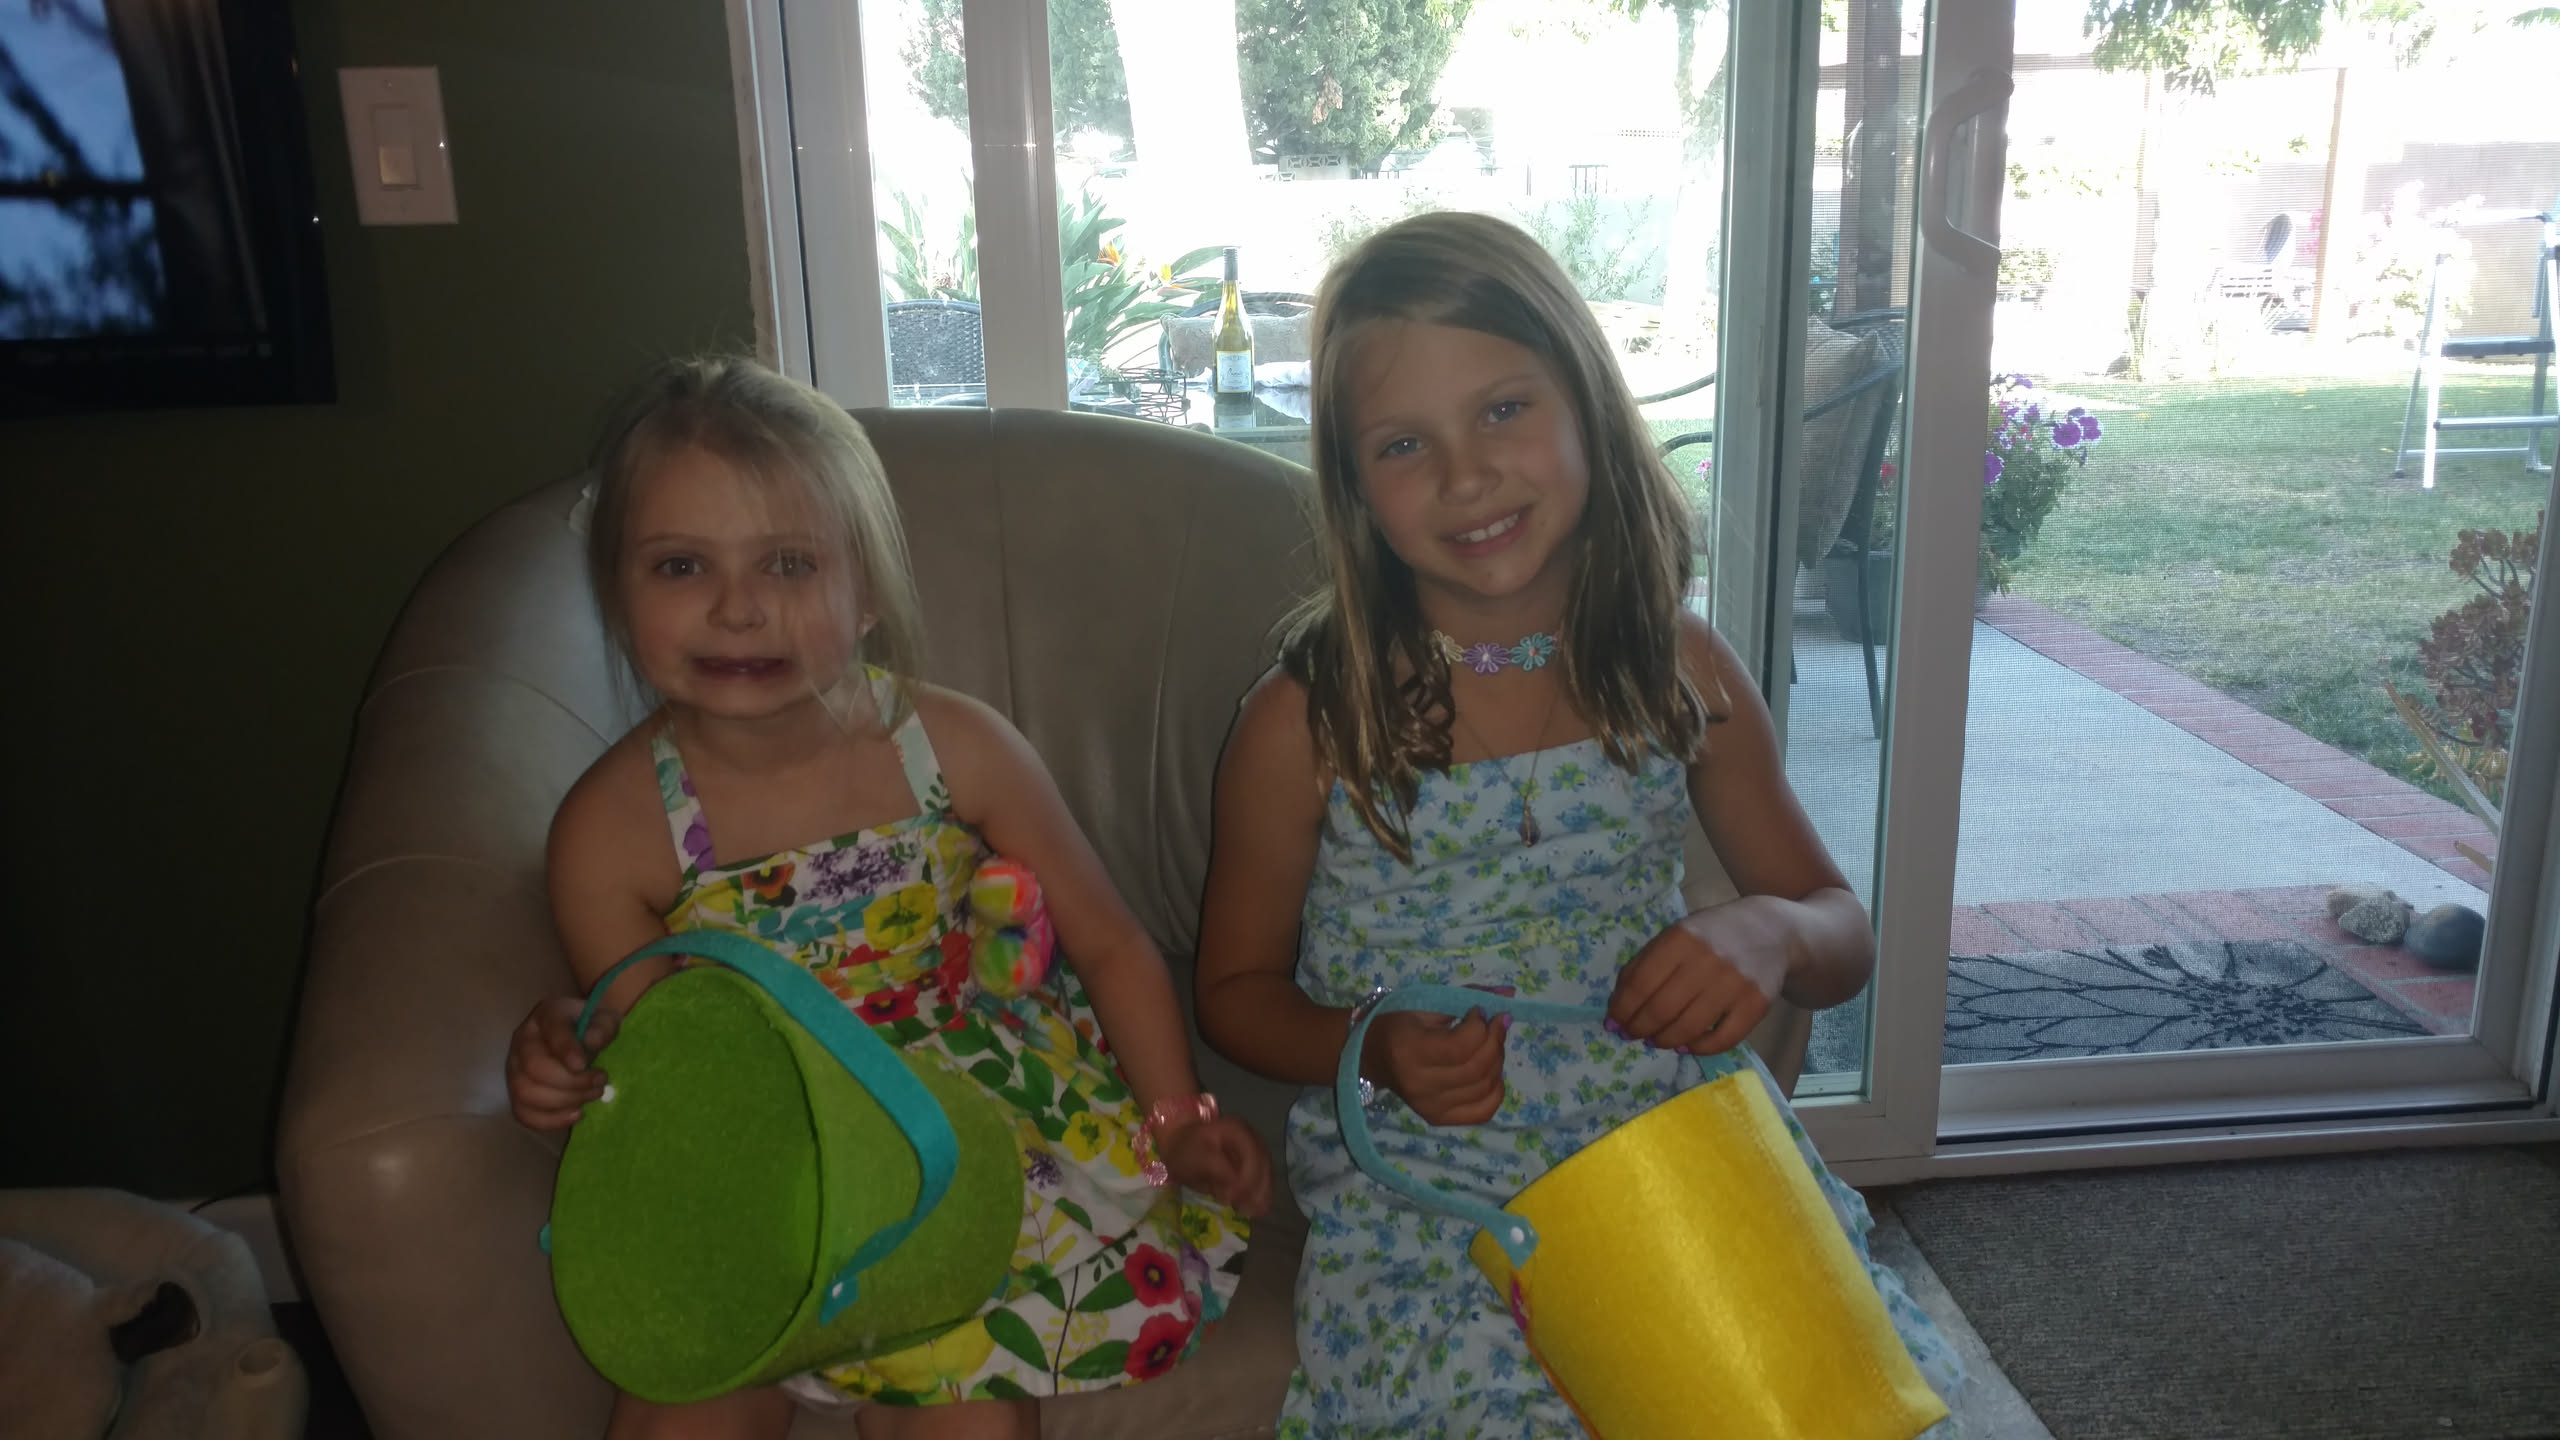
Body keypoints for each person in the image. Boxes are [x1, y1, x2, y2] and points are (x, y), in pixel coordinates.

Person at [1192, 213, 1961, 1438]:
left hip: (1678, 1148)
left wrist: (1766, 932)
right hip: (1431, 1179)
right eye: (1403, 444)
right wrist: (1370, 1045)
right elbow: (1232, 993)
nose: (1466, 476)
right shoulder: (1309, 721)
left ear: (1590, 411)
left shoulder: (1680, 672)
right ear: (1355, 491)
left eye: (1503, 410)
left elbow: (1841, 933)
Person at [503, 358, 1272, 1440]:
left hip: (979, 1130)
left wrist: (1177, 1122)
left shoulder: (955, 744)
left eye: (788, 563)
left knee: (971, 1413)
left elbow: (1107, 939)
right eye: (680, 565)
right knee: (681, 1407)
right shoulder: (610, 828)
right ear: (618, 600)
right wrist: (569, 1051)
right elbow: (666, 1056)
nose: (737, 608)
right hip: (763, 1151)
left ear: (866, 595)